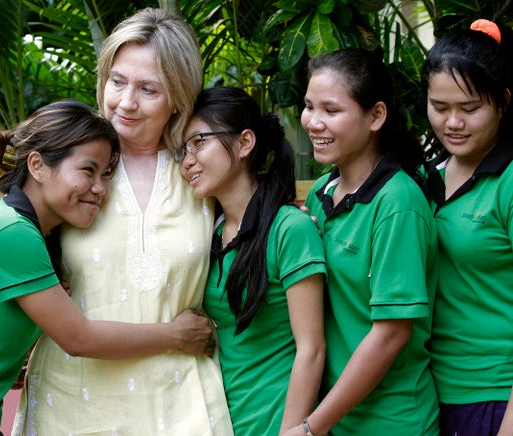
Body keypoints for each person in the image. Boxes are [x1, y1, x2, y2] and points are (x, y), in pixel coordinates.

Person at [0, 99, 215, 435]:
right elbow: (79, 339)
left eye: (107, 174)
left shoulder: (27, 232)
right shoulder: (8, 230)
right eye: (87, 170)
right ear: (37, 166)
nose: (101, 188)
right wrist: (177, 335)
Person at [15, 8, 234, 436]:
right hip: (70, 404)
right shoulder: (63, 166)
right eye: (117, 81)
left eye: (148, 89)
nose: (126, 102)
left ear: (178, 98)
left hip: (181, 404)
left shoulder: (200, 170)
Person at [287, 48, 439, 435]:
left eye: (331, 110)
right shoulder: (322, 193)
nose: (313, 122)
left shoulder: (397, 203)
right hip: (337, 420)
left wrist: (310, 427)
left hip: (391, 421)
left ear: (375, 116)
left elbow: (391, 333)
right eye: (308, 107)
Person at [179, 86, 326, 434]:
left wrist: (292, 431)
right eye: (182, 149)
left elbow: (312, 349)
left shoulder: (289, 228)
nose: (187, 160)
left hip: (278, 421)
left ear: (245, 143)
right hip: (223, 421)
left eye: (199, 141)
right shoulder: (209, 234)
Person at [422, 18, 513, 435]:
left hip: (495, 396)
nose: (452, 123)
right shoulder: (425, 180)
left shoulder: (508, 181)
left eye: (470, 108)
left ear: (503, 102)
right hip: (429, 392)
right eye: (440, 108)